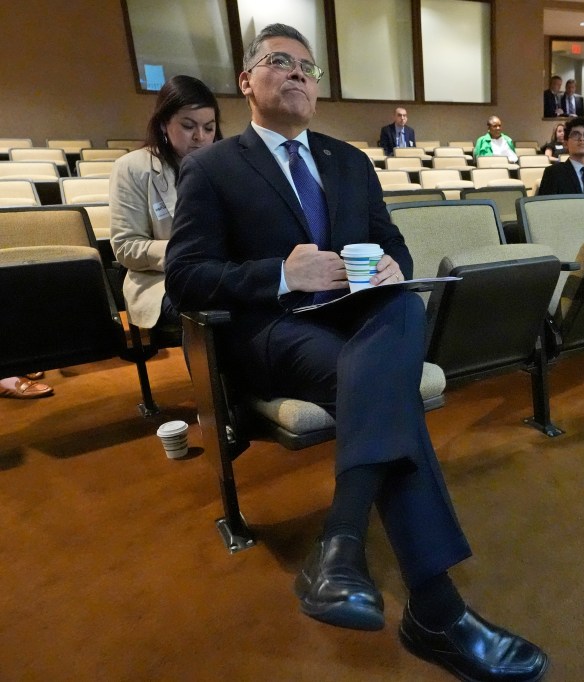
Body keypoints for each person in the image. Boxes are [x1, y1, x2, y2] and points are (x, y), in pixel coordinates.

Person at [164, 24, 548, 681]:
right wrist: (283, 274)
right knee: (385, 390)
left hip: (359, 319)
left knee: (402, 306)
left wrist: (394, 269)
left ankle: (342, 546)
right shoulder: (213, 167)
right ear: (247, 82)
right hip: (273, 329)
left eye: (308, 67)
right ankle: (437, 611)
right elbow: (186, 278)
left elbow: (389, 243)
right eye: (279, 62)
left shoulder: (348, 160)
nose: (298, 75)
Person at [109, 75, 221, 345]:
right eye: (188, 126)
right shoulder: (132, 168)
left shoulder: (224, 165)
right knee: (210, 311)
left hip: (220, 271)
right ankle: (217, 386)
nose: (200, 137)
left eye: (209, 128)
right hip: (162, 281)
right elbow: (126, 246)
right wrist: (183, 253)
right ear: (163, 124)